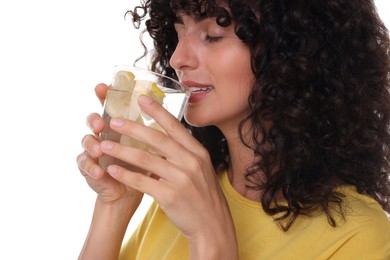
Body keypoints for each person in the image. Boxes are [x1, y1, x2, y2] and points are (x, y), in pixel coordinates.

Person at [77, 0, 390, 259]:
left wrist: (209, 239)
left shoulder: (359, 238)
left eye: (212, 35)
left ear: (293, 49)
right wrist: (115, 204)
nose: (177, 59)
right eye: (178, 30)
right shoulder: (186, 189)